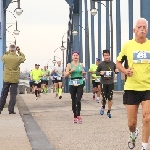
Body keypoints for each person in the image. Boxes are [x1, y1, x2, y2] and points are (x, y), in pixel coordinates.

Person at [116, 18, 150, 150]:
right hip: (131, 87)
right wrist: (125, 70)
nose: (142, 29)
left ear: (147, 30)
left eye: (144, 27)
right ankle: (133, 132)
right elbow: (118, 63)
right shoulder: (127, 46)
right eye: (139, 27)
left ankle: (144, 146)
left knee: (147, 118)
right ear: (134, 30)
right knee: (132, 123)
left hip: (148, 87)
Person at [0, 45, 25, 114]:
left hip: (7, 78)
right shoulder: (18, 58)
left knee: (4, 94)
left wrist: (9, 51)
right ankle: (11, 110)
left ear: (9, 50)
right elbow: (23, 58)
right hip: (14, 78)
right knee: (13, 94)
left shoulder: (5, 57)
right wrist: (19, 51)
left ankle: (0, 108)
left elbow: (3, 56)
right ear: (15, 50)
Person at [96, 50, 119, 118]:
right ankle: (103, 106)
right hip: (103, 83)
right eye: (105, 55)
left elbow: (116, 70)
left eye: (107, 55)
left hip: (111, 83)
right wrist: (100, 73)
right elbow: (96, 72)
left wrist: (117, 71)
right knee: (104, 98)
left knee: (110, 98)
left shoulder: (112, 63)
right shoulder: (101, 64)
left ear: (109, 56)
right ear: (103, 56)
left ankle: (109, 111)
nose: (106, 57)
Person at [65, 51, 86, 123]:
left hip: (80, 82)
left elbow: (83, 73)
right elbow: (66, 75)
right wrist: (71, 71)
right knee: (73, 100)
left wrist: (83, 73)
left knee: (78, 99)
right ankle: (75, 116)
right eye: (74, 55)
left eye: (77, 55)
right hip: (72, 82)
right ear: (72, 57)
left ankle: (78, 115)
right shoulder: (69, 65)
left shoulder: (81, 64)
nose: (75, 57)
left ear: (78, 56)